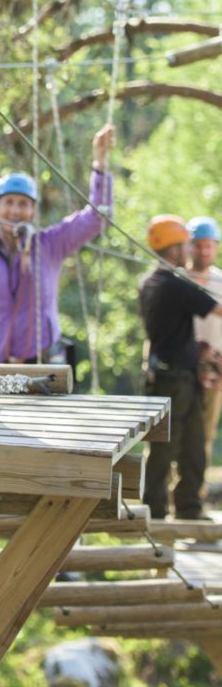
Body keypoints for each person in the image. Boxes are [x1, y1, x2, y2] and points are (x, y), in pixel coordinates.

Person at [0, 124, 115, 364]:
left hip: (42, 363)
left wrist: (100, 164)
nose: (15, 210)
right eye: (8, 202)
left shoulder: (49, 245)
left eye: (23, 203)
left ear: (33, 211)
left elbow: (96, 218)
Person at [139, 215, 222, 520]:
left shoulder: (150, 281)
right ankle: (161, 511)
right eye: (186, 244)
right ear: (174, 249)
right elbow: (217, 308)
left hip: (171, 375)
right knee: (173, 449)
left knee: (189, 447)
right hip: (176, 380)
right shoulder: (176, 285)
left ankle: (181, 508)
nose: (190, 249)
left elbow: (170, 327)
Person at [187, 216, 222, 472]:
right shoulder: (177, 280)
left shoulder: (220, 282)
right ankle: (163, 498)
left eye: (209, 245)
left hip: (214, 365)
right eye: (199, 245)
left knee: (205, 432)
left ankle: (193, 498)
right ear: (189, 246)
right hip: (182, 362)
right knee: (173, 431)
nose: (204, 251)